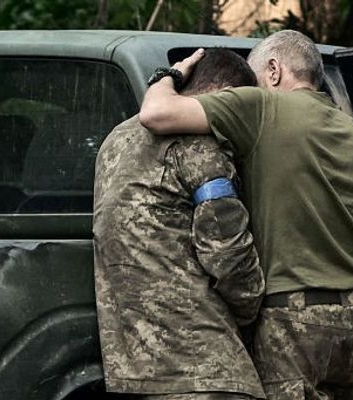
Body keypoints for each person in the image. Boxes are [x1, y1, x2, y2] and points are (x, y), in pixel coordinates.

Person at [138, 31, 353, 400]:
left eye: (252, 80)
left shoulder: (261, 108)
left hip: (293, 324)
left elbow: (156, 114)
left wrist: (168, 75)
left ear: (273, 69)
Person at [92, 49, 267, 400]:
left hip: (131, 368)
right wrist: (254, 306)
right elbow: (227, 253)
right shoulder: (201, 146)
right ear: (226, 97)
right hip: (204, 368)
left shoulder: (115, 141)